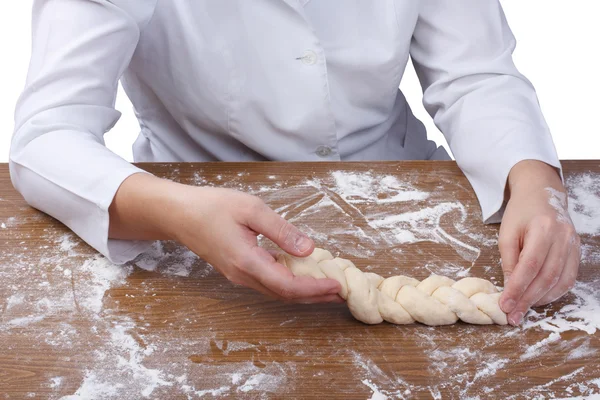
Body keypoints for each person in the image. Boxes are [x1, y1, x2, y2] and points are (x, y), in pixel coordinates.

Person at [10, 1, 580, 326]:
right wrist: (172, 213)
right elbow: (47, 134)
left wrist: (532, 179)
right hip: (195, 203)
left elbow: (475, 73)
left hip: (405, 184)